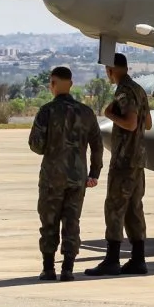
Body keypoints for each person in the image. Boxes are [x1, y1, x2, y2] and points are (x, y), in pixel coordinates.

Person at [28, 66, 103, 282]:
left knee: (49, 221)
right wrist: (94, 173)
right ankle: (68, 269)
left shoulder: (46, 112)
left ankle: (49, 268)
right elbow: (97, 145)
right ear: (71, 83)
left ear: (53, 84)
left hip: (52, 176)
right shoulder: (86, 112)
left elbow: (36, 145)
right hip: (77, 177)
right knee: (72, 221)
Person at [85, 53, 152, 277]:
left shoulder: (123, 91)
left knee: (114, 207)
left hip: (124, 160)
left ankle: (112, 259)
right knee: (134, 208)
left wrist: (109, 115)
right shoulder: (139, 89)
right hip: (139, 160)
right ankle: (138, 259)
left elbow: (131, 124)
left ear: (111, 70)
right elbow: (148, 124)